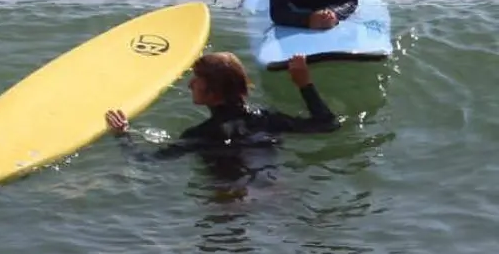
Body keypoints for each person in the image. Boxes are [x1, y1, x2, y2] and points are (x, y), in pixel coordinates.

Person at [104, 52, 339, 162]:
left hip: (229, 200)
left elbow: (145, 161)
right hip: (274, 191)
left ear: (213, 93)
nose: (190, 84)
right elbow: (328, 125)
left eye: (197, 79)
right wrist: (304, 83)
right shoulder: (267, 119)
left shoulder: (201, 135)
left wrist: (123, 135)